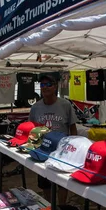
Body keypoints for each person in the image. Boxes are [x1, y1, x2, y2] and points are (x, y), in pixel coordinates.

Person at [29, 73, 77, 201]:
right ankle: (49, 206)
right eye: (42, 85)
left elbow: (72, 127)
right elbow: (32, 129)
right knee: (44, 181)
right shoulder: (35, 107)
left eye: (48, 84)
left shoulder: (65, 105)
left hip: (62, 152)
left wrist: (75, 148)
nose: (45, 87)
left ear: (55, 87)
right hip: (43, 150)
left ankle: (61, 209)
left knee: (62, 182)